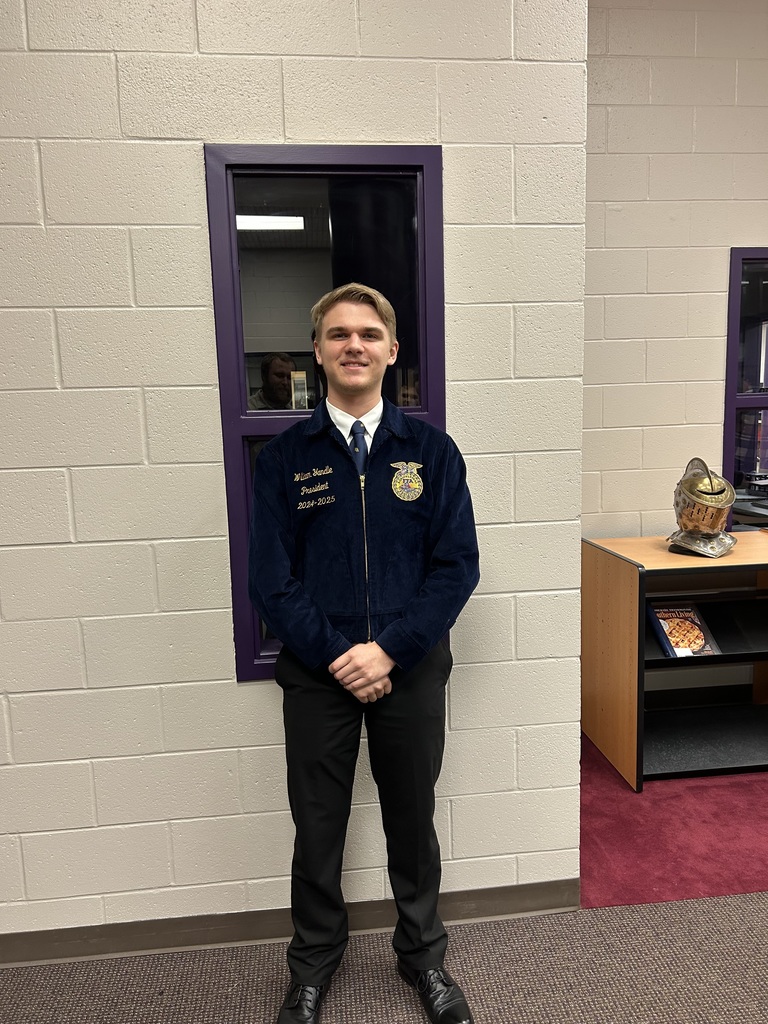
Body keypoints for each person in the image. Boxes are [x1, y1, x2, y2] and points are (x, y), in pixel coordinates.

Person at [248, 283, 480, 1024]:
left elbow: (457, 567)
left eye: (369, 334)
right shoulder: (284, 458)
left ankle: (424, 961)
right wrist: (341, 653)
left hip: (409, 670)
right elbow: (269, 580)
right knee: (318, 825)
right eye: (340, 334)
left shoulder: (432, 453)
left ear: (391, 351)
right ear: (318, 350)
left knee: (413, 820)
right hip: (318, 676)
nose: (355, 345)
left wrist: (390, 651)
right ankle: (312, 969)